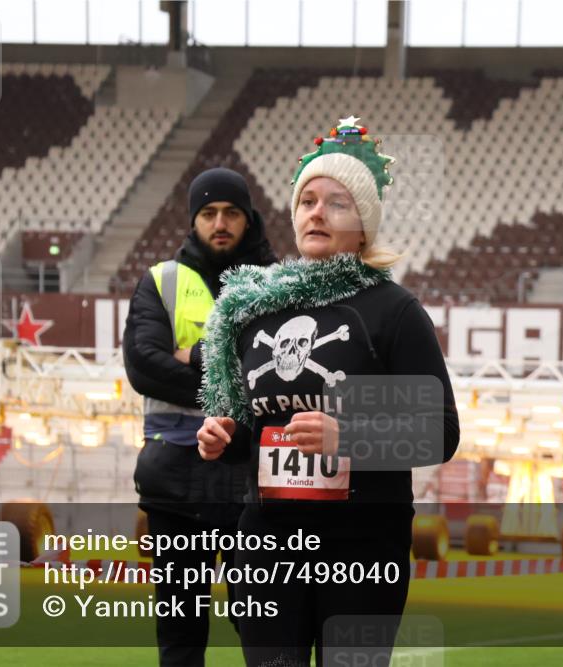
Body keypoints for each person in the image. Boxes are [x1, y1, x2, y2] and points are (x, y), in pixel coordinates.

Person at [196, 116, 460, 666]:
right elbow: (256, 436)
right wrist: (227, 437)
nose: (316, 212)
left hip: (363, 549)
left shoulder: (393, 312)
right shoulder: (252, 312)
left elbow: (439, 432)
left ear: (363, 224)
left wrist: (349, 436)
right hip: (267, 545)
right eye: (307, 201)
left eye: (336, 203)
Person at [123, 167, 277, 666]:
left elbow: (278, 375)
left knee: (263, 622)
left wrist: (193, 356)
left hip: (252, 484)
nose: (220, 222)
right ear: (193, 222)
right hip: (176, 485)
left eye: (231, 212)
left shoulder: (278, 287)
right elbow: (145, 365)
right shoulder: (161, 282)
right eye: (208, 213)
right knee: (180, 631)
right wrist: (235, 375)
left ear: (248, 219)